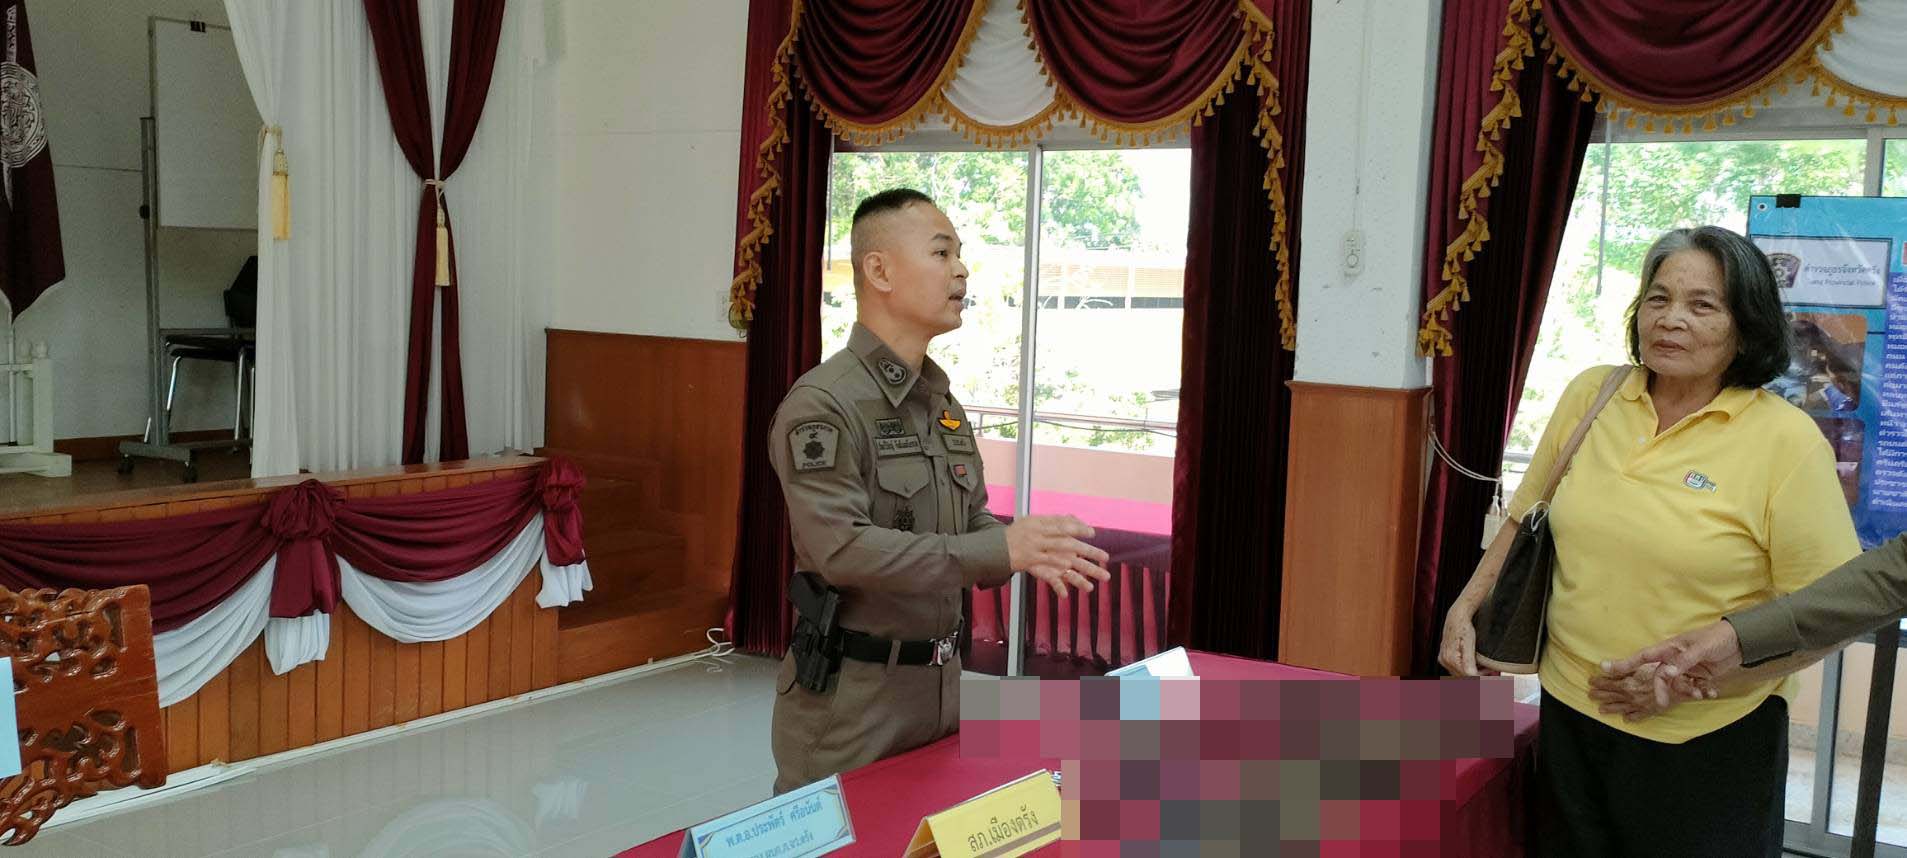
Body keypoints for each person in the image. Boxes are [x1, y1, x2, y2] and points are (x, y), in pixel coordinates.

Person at [1437, 226, 1860, 856]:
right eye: (1658, 299)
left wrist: (1702, 681)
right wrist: (1466, 605)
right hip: (1570, 715)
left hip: (1707, 741)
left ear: (1746, 327)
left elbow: (1830, 612)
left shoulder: (1787, 442)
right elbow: (1528, 516)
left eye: (1702, 305)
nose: (1671, 319)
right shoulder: (1594, 394)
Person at [767, 188, 1111, 795]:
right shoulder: (823, 405)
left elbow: (968, 519)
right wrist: (998, 549)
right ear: (880, 271)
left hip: (941, 693)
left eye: (959, 253)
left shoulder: (940, 403)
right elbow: (841, 550)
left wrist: (1020, 545)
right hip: (853, 704)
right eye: (941, 252)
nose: (961, 269)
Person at [1597, 533, 1907, 715]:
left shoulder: (1793, 450)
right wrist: (1738, 637)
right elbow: (1892, 574)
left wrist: (1738, 645)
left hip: (1715, 730)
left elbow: (1867, 592)